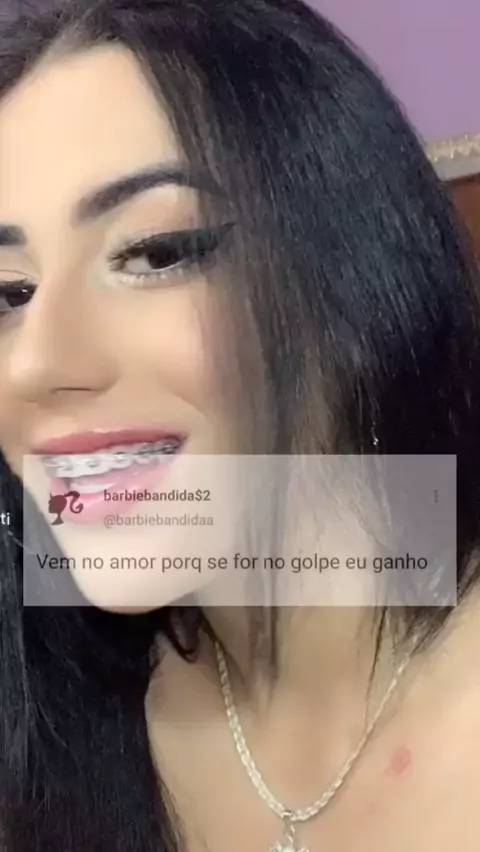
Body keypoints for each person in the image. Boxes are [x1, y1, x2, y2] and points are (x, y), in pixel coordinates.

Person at [1, 1, 480, 850]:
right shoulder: (51, 708)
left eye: (156, 252)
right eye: (9, 294)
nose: (35, 365)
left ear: (354, 272)